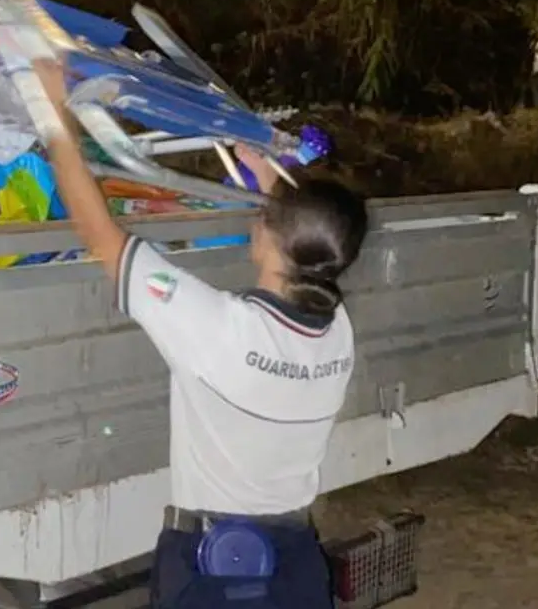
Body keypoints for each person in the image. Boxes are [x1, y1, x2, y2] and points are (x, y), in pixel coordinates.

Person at [31, 58, 369, 609]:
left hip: (219, 575)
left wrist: (54, 118)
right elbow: (298, 241)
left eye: (263, 215)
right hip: (296, 568)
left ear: (270, 237)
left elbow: (100, 234)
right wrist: (264, 176)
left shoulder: (217, 330)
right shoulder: (336, 331)